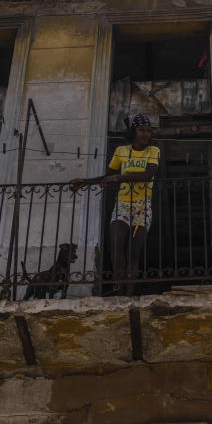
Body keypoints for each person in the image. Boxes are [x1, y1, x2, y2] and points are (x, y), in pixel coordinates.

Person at [71, 114, 159, 295]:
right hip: (123, 204)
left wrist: (118, 177)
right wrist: (85, 181)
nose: (145, 134)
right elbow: (108, 175)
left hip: (143, 206)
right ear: (133, 131)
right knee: (116, 243)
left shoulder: (153, 151)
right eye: (141, 130)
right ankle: (119, 286)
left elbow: (147, 175)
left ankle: (129, 294)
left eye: (148, 130)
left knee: (134, 252)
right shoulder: (121, 151)